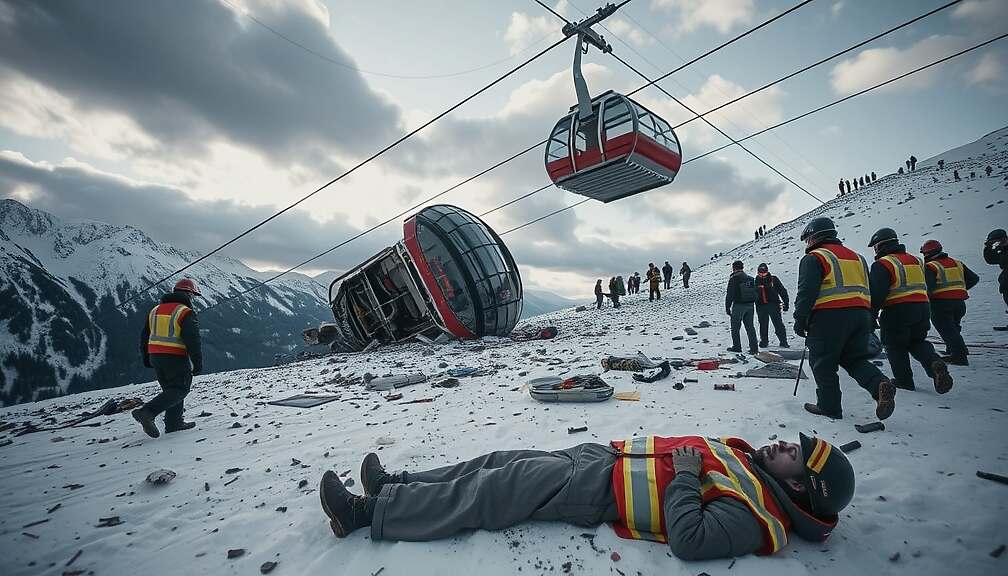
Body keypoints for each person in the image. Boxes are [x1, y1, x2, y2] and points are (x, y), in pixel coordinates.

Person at [319, 432, 855, 562]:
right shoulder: (748, 466)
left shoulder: (758, 517)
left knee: (489, 492)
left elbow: (690, 540)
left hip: (597, 492)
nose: (784, 443)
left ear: (797, 486)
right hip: (600, 461)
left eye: (794, 454)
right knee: (495, 463)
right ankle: (397, 485)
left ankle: (367, 514)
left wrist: (688, 476)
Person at [793, 217, 894, 420]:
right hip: (861, 316)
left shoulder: (815, 257)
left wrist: (800, 319)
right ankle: (879, 384)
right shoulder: (857, 258)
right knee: (853, 358)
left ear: (813, 236)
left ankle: (829, 407)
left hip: (828, 318)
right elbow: (871, 289)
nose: (807, 244)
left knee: (823, 363)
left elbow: (807, 292)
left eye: (807, 239)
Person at [868, 228, 953, 394]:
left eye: (875, 246)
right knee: (917, 342)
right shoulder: (916, 260)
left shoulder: (883, 264)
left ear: (880, 245)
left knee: (895, 346)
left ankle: (904, 381)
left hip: (896, 310)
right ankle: (934, 363)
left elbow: (877, 294)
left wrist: (870, 316)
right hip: (922, 308)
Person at [133, 279, 204, 438]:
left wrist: (146, 357)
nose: (193, 298)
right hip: (175, 356)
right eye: (193, 295)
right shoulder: (185, 312)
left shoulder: (155, 310)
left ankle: (174, 423)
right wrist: (197, 363)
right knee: (180, 389)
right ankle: (147, 412)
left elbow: (144, 336)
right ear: (188, 293)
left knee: (170, 390)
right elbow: (193, 339)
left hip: (155, 356)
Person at [921, 240, 980, 365]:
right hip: (959, 303)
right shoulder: (957, 263)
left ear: (927, 254)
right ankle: (955, 350)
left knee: (948, 330)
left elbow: (929, 288)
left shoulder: (931, 266)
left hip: (940, 303)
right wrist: (959, 290)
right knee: (953, 327)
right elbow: (974, 278)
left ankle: (959, 356)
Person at [725, 261, 759, 354]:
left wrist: (727, 307)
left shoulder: (734, 279)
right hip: (750, 305)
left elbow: (730, 294)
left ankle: (737, 346)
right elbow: (756, 292)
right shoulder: (750, 279)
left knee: (735, 327)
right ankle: (754, 348)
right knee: (750, 327)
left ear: (734, 268)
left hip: (739, 305)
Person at [754, 263, 790, 348]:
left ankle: (783, 341)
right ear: (758, 272)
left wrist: (786, 303)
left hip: (773, 305)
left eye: (764, 272)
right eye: (760, 272)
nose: (762, 274)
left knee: (778, 324)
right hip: (761, 306)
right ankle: (764, 341)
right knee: (763, 325)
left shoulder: (773, 279)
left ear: (767, 271)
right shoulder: (755, 281)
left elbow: (782, 291)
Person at [983, 229, 1008, 318]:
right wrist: (989, 248)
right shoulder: (1001, 249)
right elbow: (990, 260)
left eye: (996, 242)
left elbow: (1004, 261)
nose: (996, 244)